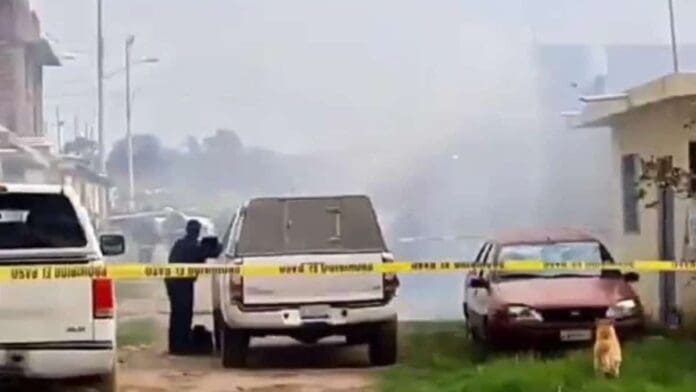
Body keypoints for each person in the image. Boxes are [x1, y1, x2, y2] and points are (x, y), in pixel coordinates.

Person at [165, 219, 205, 354]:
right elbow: (207, 254)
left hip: (173, 282)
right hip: (181, 283)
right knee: (184, 314)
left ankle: (175, 345)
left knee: (177, 313)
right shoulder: (194, 246)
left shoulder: (179, 244)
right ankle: (182, 345)